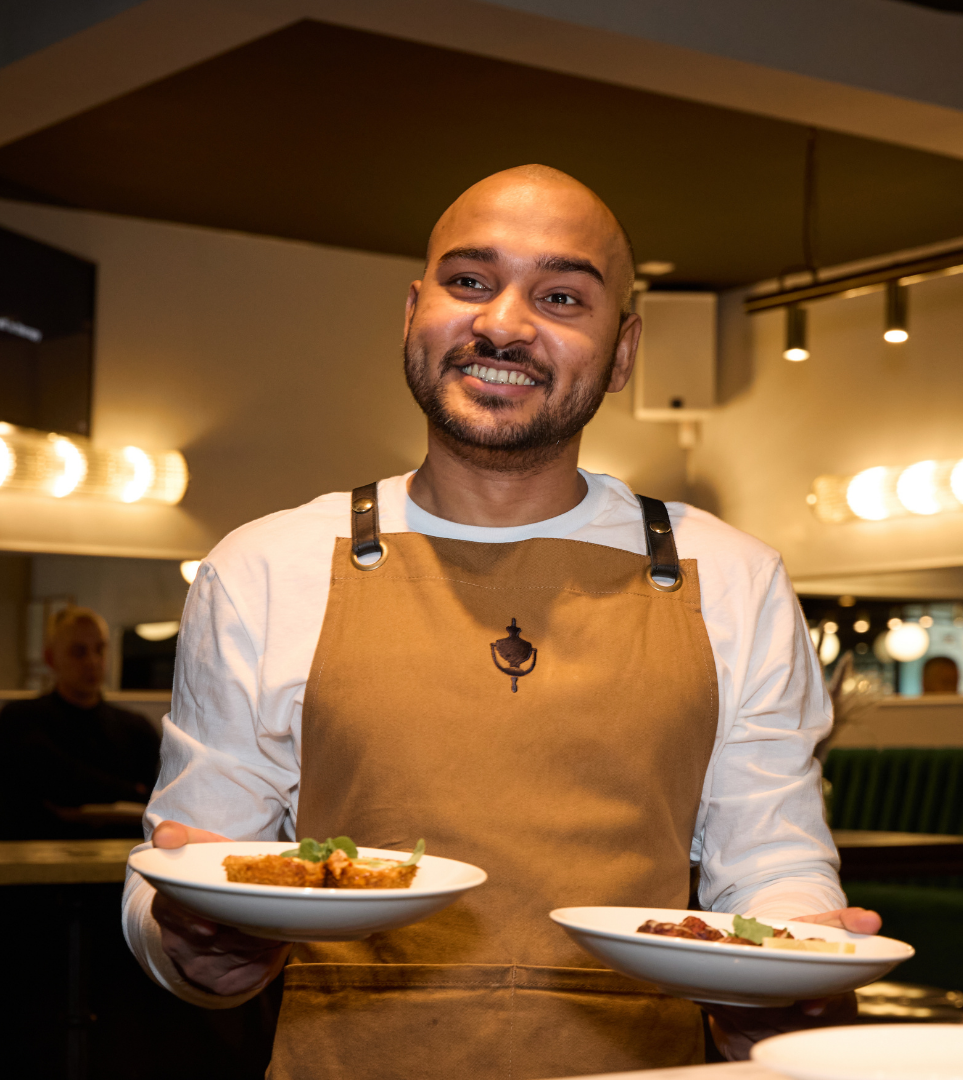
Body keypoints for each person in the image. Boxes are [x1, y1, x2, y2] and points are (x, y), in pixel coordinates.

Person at [124, 165, 880, 1077]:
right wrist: (194, 950)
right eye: (470, 281)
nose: (504, 323)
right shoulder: (264, 565)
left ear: (624, 350)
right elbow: (185, 861)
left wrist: (786, 982)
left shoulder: (734, 575)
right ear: (413, 310)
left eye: (561, 296)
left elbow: (770, 859)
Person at [1, 606, 160, 839]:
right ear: (50, 658)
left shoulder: (137, 729)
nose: (92, 661)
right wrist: (127, 791)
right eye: (79, 652)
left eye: (100, 650)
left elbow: (157, 800)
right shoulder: (21, 720)